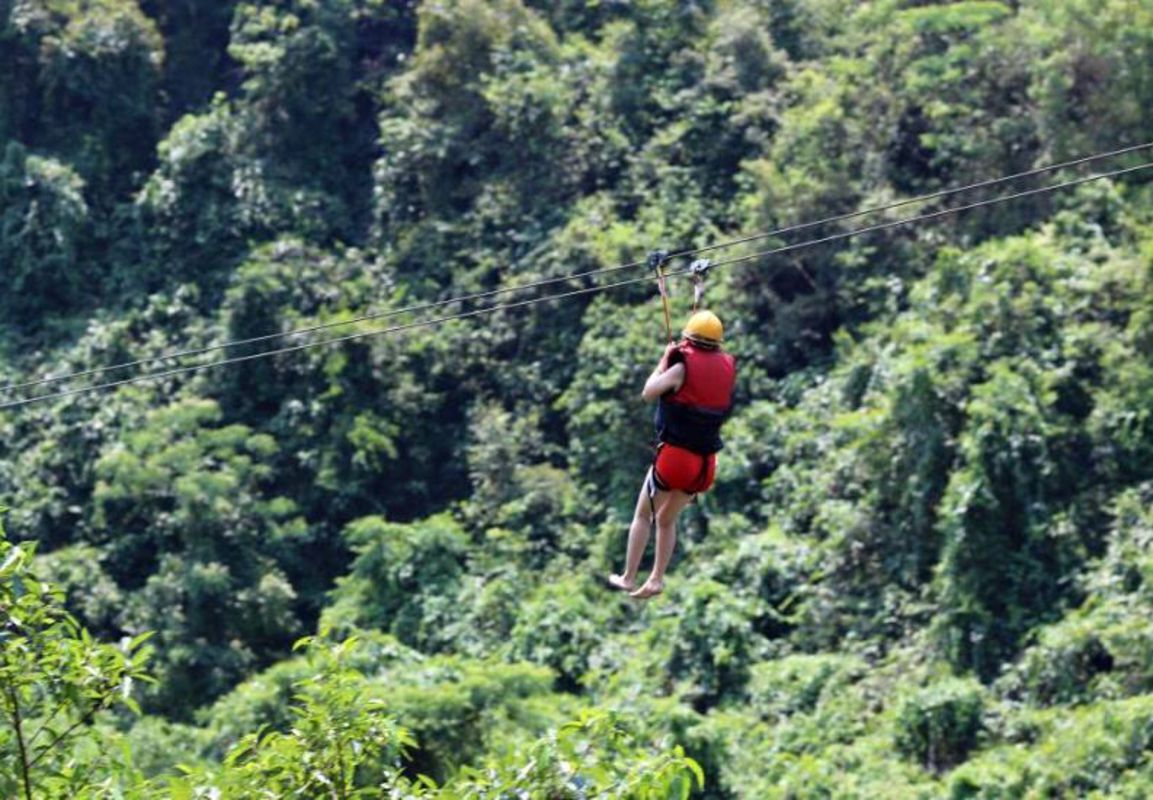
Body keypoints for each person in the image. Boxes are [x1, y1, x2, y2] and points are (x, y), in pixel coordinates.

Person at [608, 310, 736, 599]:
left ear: (689, 338)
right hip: (705, 465)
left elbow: (648, 392)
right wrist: (698, 287)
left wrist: (664, 360)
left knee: (643, 516)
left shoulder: (680, 368)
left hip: (676, 459)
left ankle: (628, 577)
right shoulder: (726, 366)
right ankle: (656, 579)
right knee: (667, 519)